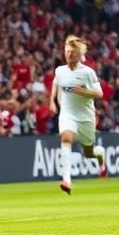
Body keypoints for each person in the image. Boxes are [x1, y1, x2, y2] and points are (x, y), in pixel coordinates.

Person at [50, 35, 105, 194]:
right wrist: (52, 101)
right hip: (67, 114)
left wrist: (84, 91)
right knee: (66, 138)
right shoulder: (60, 71)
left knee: (89, 153)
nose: (69, 55)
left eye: (72, 52)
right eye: (67, 51)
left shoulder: (88, 73)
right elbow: (56, 83)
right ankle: (67, 180)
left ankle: (101, 157)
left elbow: (99, 94)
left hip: (86, 116)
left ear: (79, 54)